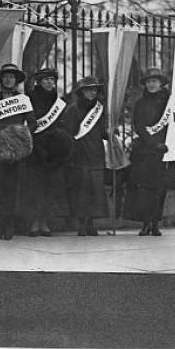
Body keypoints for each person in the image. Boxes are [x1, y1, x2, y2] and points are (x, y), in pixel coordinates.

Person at [0, 63, 36, 240]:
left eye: (12, 77)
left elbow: (32, 123)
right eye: (5, 76)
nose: (8, 79)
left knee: (12, 188)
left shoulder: (23, 99)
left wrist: (18, 138)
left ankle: (9, 225)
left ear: (16, 80)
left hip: (15, 152)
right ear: (1, 79)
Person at [124, 67, 175, 236]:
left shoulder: (171, 102)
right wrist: (152, 142)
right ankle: (145, 223)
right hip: (145, 151)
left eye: (155, 81)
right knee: (144, 190)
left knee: (160, 189)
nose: (151, 84)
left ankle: (155, 223)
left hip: (164, 151)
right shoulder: (140, 102)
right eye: (148, 82)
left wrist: (166, 143)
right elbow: (138, 125)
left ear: (161, 83)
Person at [21, 67, 73, 236]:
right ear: (39, 82)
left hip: (52, 150)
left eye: (52, 79)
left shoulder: (57, 101)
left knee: (50, 188)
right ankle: (34, 222)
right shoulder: (31, 98)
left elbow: (62, 123)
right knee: (35, 187)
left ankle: (45, 221)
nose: (50, 82)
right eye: (46, 80)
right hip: (35, 148)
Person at [65, 76, 109, 236]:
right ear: (81, 92)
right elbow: (69, 133)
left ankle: (91, 222)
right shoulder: (73, 109)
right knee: (81, 191)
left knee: (95, 191)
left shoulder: (100, 109)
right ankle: (81, 223)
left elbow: (102, 131)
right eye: (88, 89)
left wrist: (110, 133)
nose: (91, 92)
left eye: (94, 90)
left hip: (96, 153)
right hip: (79, 154)